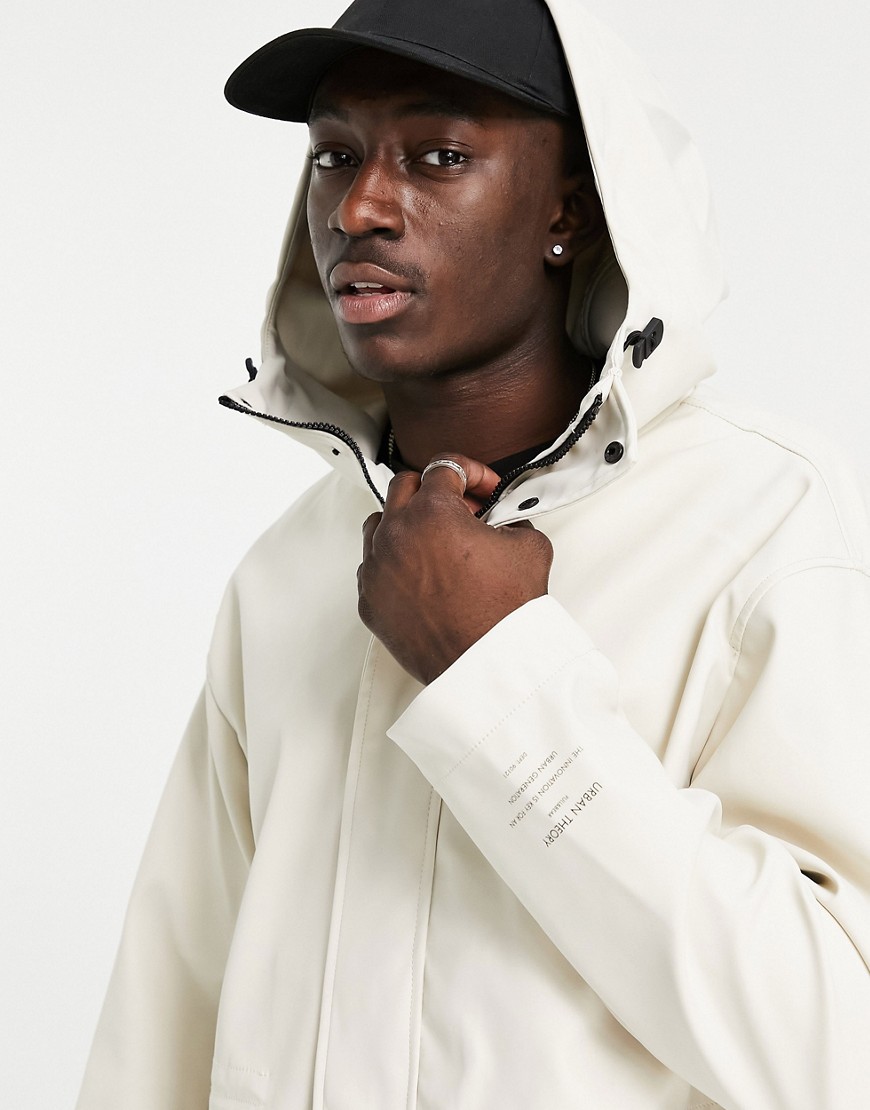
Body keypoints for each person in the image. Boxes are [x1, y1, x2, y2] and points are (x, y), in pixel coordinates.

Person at [77, 0, 870, 1107]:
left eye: (437, 156)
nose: (357, 207)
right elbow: (166, 1020)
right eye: (334, 155)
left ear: (570, 212)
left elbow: (837, 1048)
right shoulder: (288, 572)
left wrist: (497, 672)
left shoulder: (763, 520)